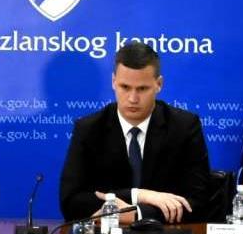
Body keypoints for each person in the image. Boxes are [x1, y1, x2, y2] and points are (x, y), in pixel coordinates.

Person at [59, 41, 210, 223]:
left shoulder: (184, 127)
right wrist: (139, 195)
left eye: (142, 89)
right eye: (125, 87)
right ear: (113, 82)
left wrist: (138, 214)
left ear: (159, 84)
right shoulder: (89, 129)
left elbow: (199, 203)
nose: (132, 98)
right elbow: (71, 203)